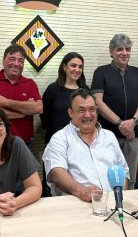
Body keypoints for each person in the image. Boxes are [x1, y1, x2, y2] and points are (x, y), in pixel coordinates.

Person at [42, 89, 129, 201]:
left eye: (92, 109)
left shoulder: (109, 136)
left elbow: (123, 172)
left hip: (113, 202)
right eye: (81, 110)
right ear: (71, 113)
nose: (88, 115)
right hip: (78, 203)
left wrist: (120, 200)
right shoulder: (59, 138)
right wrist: (82, 191)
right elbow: (57, 174)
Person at [91, 34, 138, 190]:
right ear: (111, 52)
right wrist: (121, 124)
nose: (124, 53)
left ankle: (129, 207)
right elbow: (98, 102)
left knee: (131, 177)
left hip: (134, 134)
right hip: (108, 134)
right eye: (119, 49)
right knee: (108, 175)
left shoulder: (137, 72)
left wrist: (133, 122)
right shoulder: (101, 72)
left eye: (127, 49)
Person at [40, 52, 88, 196]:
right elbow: (44, 116)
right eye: (73, 65)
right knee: (53, 187)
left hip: (79, 145)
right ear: (64, 67)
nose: (77, 69)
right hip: (55, 145)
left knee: (77, 184)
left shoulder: (85, 91)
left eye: (80, 67)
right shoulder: (52, 90)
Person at [0, 44, 42, 147]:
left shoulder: (30, 83)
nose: (16, 64)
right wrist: (23, 112)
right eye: (12, 59)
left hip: (24, 144)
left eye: (20, 61)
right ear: (3, 62)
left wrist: (6, 102)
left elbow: (38, 108)